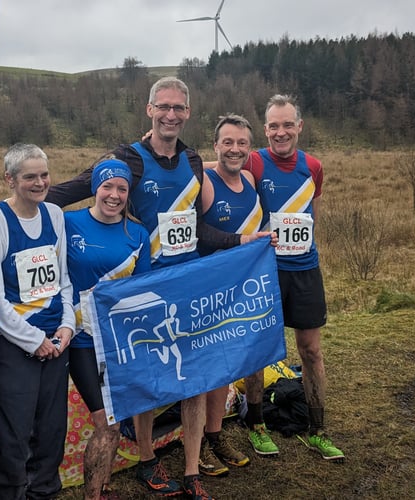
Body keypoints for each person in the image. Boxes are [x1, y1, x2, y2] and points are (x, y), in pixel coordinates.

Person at [46, 76, 271, 500]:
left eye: (178, 108)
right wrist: (14, 207)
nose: (171, 115)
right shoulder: (126, 159)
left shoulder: (193, 162)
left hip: (187, 283)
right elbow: (74, 189)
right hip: (143, 287)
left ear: (187, 113)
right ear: (149, 110)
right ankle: (148, 458)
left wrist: (242, 241)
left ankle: (190, 471)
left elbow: (200, 227)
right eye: (163, 107)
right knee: (148, 381)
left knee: (191, 379)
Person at [241, 94, 345, 461]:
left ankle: (318, 430)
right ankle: (256, 425)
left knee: (311, 351)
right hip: (264, 272)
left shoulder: (313, 167)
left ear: (299, 126)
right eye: (273, 126)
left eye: (287, 125)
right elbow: (217, 165)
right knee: (257, 352)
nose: (280, 132)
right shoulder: (253, 161)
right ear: (265, 128)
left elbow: (311, 218)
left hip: (304, 270)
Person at [0, 143, 76, 499]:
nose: (40, 183)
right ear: (10, 179)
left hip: (56, 340)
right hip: (15, 345)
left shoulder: (54, 214)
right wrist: (32, 339)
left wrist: (67, 325)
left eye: (44, 175)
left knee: (51, 431)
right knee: (13, 435)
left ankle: (45, 493)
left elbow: (63, 279)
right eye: (29, 177)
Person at [64, 158, 151, 500]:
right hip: (78, 340)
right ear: (95, 188)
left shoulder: (138, 233)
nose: (114, 195)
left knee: (114, 421)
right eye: (107, 187)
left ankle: (101, 485)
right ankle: (93, 494)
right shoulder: (67, 222)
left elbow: (141, 290)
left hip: (116, 344)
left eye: (122, 189)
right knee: (107, 423)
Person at [197, 114, 263, 477]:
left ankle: (216, 433)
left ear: (248, 148)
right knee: (206, 368)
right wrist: (238, 241)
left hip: (240, 290)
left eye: (241, 143)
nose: (234, 149)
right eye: (227, 142)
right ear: (216, 145)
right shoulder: (205, 182)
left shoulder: (251, 178)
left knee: (225, 367)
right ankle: (200, 443)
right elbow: (198, 231)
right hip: (209, 289)